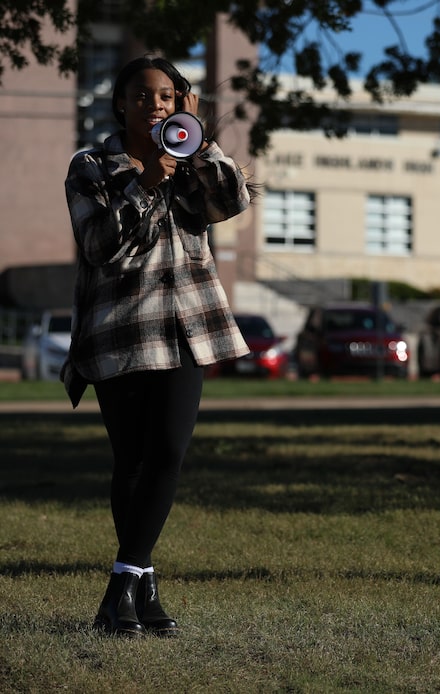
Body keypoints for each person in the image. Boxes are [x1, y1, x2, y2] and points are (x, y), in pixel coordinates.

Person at [62, 56, 252, 637]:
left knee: (168, 453)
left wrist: (200, 146)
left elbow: (231, 203)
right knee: (133, 462)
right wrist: (144, 186)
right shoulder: (91, 164)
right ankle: (141, 589)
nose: (156, 106)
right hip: (120, 330)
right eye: (143, 96)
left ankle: (122, 581)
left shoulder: (189, 155)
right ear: (121, 103)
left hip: (188, 328)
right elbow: (97, 245)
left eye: (168, 96)